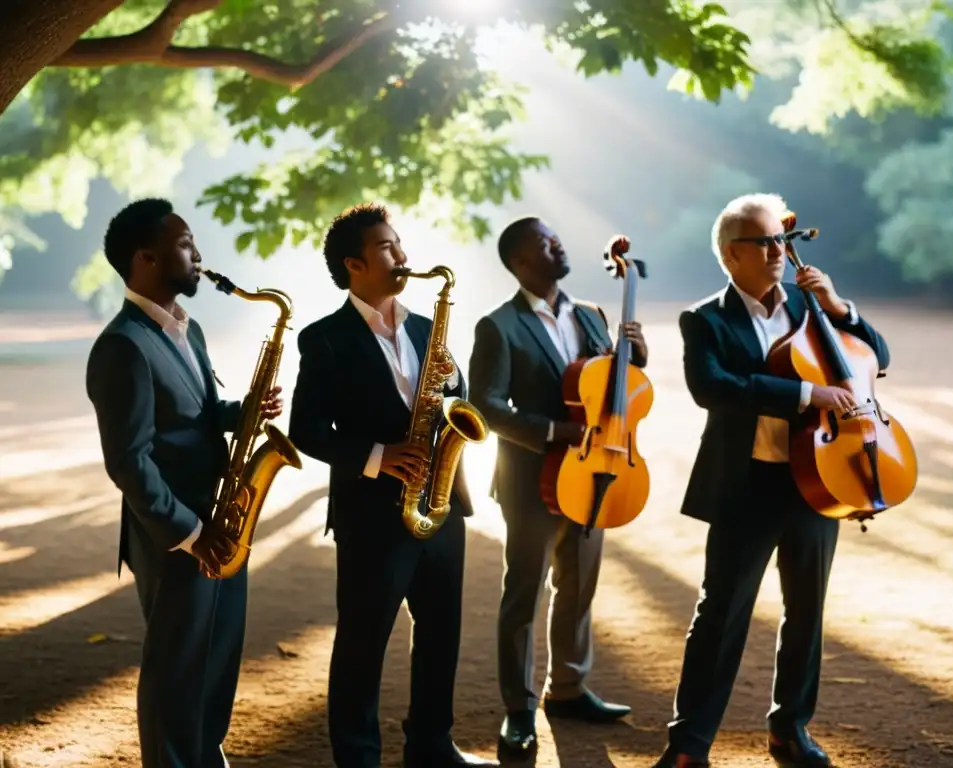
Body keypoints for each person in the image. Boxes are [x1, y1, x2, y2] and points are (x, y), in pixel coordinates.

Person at [652, 193, 890, 768]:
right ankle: (689, 746)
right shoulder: (704, 319)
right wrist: (807, 394)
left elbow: (875, 358)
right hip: (746, 485)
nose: (779, 251)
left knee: (807, 612)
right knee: (721, 614)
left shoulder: (810, 309)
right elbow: (714, 388)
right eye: (765, 241)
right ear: (733, 255)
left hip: (820, 480)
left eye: (781, 241)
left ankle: (791, 730)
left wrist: (839, 306)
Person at [287, 202, 498, 768]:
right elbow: (306, 430)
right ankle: (357, 757)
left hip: (441, 502)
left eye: (400, 243)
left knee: (440, 636)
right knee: (362, 644)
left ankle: (432, 746)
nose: (403, 256)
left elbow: (455, 396)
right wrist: (380, 457)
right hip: (372, 515)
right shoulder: (323, 339)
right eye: (387, 248)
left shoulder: (430, 329)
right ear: (355, 264)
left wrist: (450, 398)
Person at [85, 198, 284, 768]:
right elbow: (128, 461)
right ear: (145, 258)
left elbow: (192, 411)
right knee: (175, 670)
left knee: (217, 657)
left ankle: (204, 751)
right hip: (176, 536)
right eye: (186, 244)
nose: (199, 256)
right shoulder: (121, 346)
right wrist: (191, 534)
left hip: (220, 519)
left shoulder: (183, 331)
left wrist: (240, 411)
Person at [468, 217, 647, 759]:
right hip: (530, 479)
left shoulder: (593, 315)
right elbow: (487, 406)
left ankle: (567, 689)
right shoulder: (497, 326)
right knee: (523, 593)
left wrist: (634, 353)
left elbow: (615, 387)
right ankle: (519, 710)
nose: (559, 244)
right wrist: (553, 431)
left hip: (595, 473)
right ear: (521, 262)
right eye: (546, 243)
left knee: (579, 585)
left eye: (557, 238)